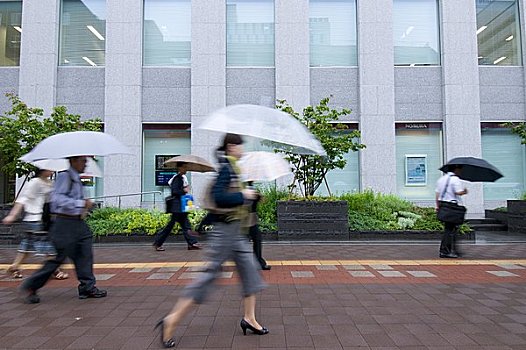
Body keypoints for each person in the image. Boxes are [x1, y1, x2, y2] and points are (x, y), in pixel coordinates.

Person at [155, 133, 268, 348]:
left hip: (235, 232)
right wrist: (244, 196)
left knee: (250, 270)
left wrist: (251, 196)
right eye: (240, 146)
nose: (242, 150)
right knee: (208, 278)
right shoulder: (227, 168)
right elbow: (219, 197)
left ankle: (250, 319)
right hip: (225, 233)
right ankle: (171, 320)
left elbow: (233, 198)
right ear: (231, 147)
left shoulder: (235, 169)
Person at [19, 156, 107, 304]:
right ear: (73, 161)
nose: (86, 164)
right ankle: (31, 286)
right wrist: (81, 203)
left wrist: (85, 206)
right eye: (83, 161)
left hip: (78, 223)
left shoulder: (77, 179)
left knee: (84, 252)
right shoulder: (64, 177)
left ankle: (87, 286)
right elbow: (57, 201)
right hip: (64, 223)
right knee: (58, 258)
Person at [2, 169, 69, 280]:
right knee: (49, 247)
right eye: (49, 169)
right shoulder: (35, 182)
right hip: (36, 219)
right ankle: (54, 270)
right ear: (42, 169)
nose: (52, 171)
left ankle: (15, 266)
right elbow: (22, 199)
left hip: (43, 218)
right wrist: (12, 215)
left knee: (27, 246)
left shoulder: (49, 182)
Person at [153, 162, 200, 251]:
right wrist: (184, 190)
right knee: (171, 226)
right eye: (184, 167)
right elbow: (175, 191)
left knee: (186, 225)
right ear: (180, 168)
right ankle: (158, 243)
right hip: (177, 207)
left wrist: (184, 189)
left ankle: (192, 243)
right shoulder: (177, 178)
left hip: (180, 207)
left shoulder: (181, 178)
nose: (186, 169)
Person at [435, 164, 468, 259]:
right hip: (452, 207)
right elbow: (458, 192)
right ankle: (446, 251)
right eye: (460, 169)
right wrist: (465, 191)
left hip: (443, 205)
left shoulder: (441, 179)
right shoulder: (455, 179)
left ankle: (450, 250)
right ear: (456, 169)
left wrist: (437, 206)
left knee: (448, 229)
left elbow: (437, 194)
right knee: (450, 230)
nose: (460, 172)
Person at [246, 181, 271, 270]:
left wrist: (257, 196)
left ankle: (259, 262)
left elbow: (263, 200)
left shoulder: (253, 192)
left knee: (257, 240)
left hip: (251, 221)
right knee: (253, 241)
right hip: (244, 221)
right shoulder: (241, 191)